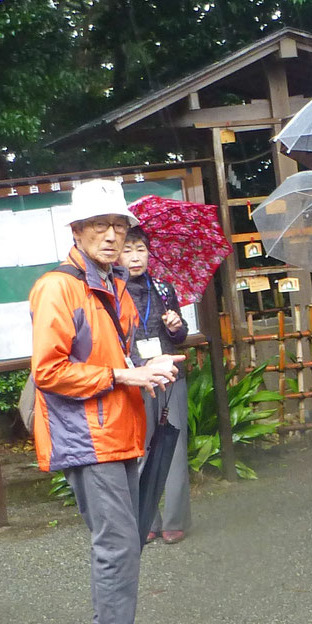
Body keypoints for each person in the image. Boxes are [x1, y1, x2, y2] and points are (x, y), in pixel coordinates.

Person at [29, 179, 185, 624]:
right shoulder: (60, 286)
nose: (113, 235)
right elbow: (48, 372)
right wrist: (124, 376)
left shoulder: (112, 283)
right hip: (86, 436)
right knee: (117, 543)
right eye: (101, 225)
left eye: (119, 225)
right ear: (77, 230)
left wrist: (153, 361)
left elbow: (119, 351)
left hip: (116, 429)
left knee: (125, 538)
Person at [120, 225, 193, 543]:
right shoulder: (113, 293)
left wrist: (176, 325)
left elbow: (179, 336)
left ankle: (175, 519)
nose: (135, 257)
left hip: (169, 373)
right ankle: (147, 518)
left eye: (141, 250)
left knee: (174, 447)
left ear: (149, 254)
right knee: (141, 449)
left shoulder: (163, 289)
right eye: (128, 250)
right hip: (135, 377)